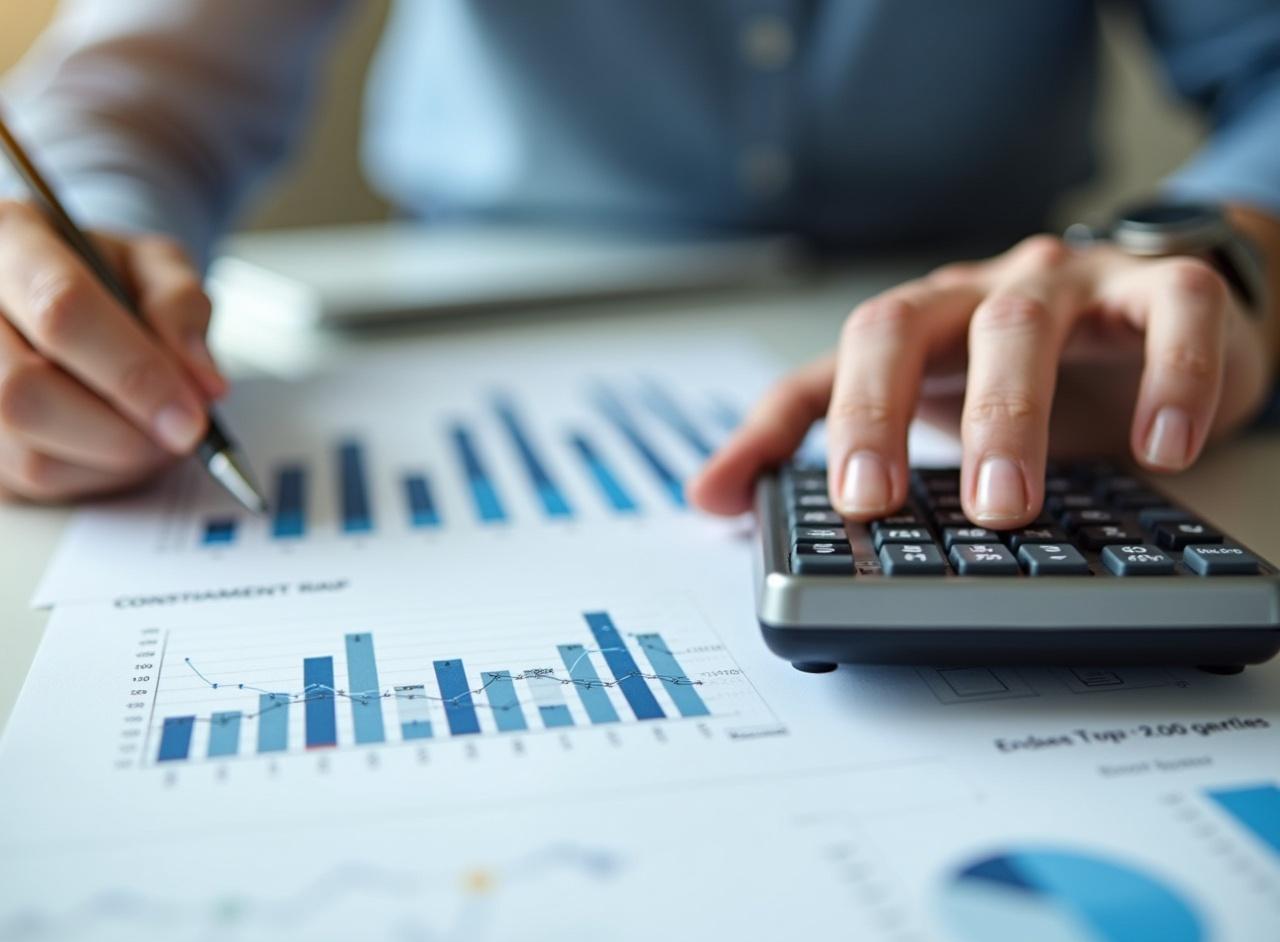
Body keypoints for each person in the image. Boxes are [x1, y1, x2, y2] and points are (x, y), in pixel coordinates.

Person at [0, 1, 1277, 530]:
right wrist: (67, 272)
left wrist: (1223, 254)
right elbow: (143, 83)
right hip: (458, 339)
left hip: (1012, 347)